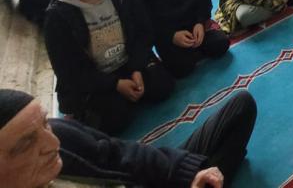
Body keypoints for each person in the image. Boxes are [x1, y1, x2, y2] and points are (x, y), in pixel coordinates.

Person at [0, 84, 257, 187]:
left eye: (45, 124)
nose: (53, 143)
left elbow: (121, 153)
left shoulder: (61, 136)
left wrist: (188, 173)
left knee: (241, 106)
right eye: (26, 143)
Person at [44, 0, 175, 134]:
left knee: (163, 87)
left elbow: (144, 32)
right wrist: (115, 84)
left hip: (128, 63)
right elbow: (68, 69)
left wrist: (136, 68)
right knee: (113, 120)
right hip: (95, 76)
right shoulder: (58, 15)